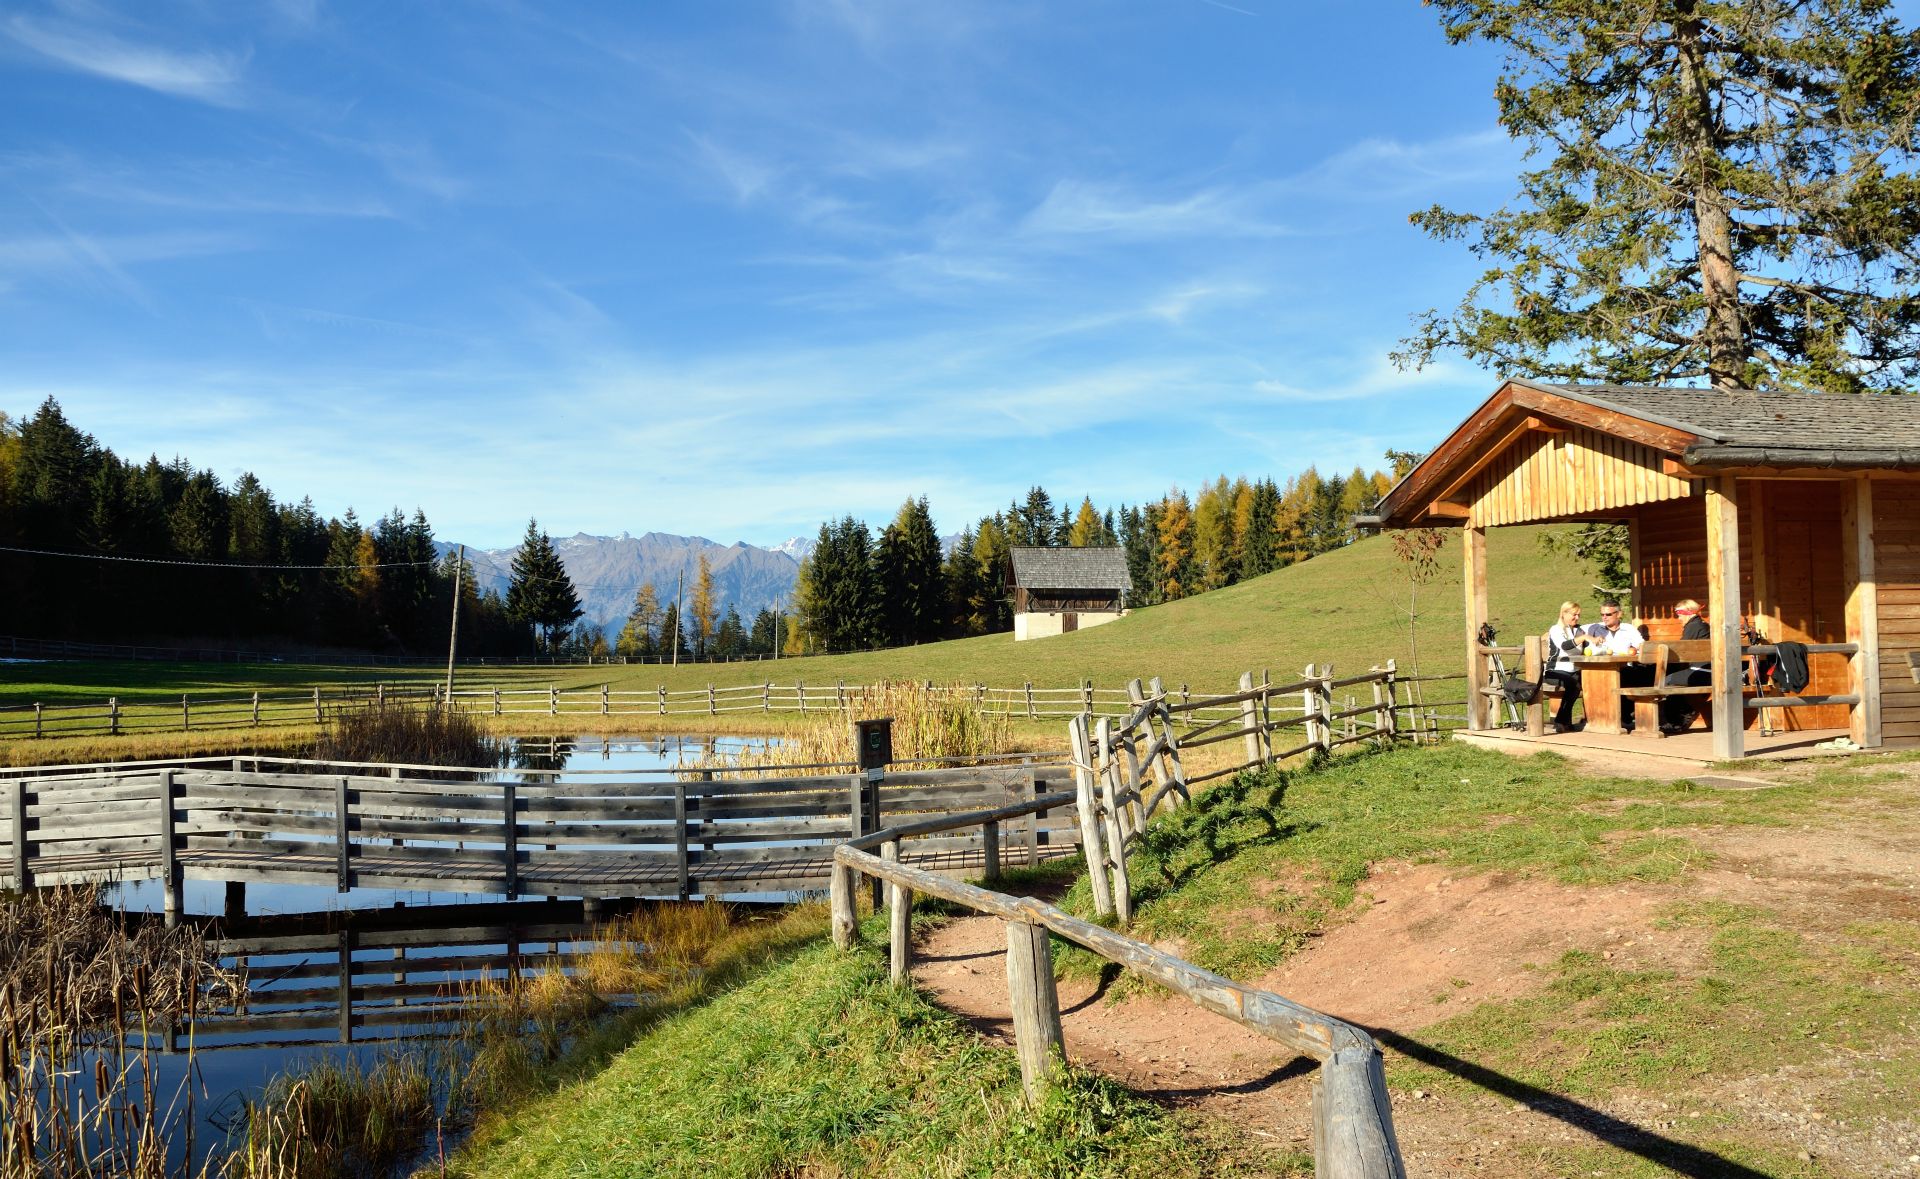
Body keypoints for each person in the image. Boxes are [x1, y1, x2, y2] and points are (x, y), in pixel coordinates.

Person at [1587, 599, 1650, 729]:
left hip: (1625, 667)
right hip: (1602, 670)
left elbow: (1643, 646)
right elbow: (1576, 633)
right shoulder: (1596, 629)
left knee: (1639, 676)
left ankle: (1626, 718)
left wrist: (1635, 650)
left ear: (1619, 614)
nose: (1604, 617)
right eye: (1602, 614)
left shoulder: (1628, 629)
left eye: (1608, 614)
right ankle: (1607, 719)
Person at [1660, 598, 1711, 731]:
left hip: (1702, 672)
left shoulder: (1693, 626)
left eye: (1679, 614)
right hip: (1706, 670)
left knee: (1667, 681)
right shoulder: (1701, 624)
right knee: (1673, 679)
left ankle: (1676, 720)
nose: (1679, 618)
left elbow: (1682, 650)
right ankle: (1683, 715)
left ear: (1688, 612)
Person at [1543, 601, 1590, 732]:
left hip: (1574, 670)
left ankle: (1592, 720)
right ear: (1564, 613)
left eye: (1579, 615)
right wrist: (1584, 637)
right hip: (1554, 671)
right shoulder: (1556, 629)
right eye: (1574, 615)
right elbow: (1565, 646)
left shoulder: (1579, 630)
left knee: (1593, 681)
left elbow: (1587, 647)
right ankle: (1560, 721)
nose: (1577, 618)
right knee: (1573, 685)